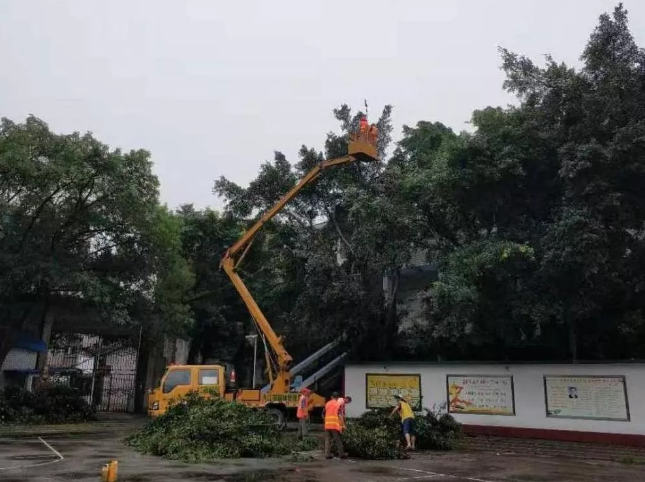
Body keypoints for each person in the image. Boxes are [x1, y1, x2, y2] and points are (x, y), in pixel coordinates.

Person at [323, 392, 346, 459]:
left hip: (327, 424)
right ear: (337, 397)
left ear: (331, 397)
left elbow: (324, 414)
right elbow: (340, 415)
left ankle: (327, 454)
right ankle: (341, 454)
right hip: (334, 425)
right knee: (338, 440)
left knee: (327, 440)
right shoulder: (337, 404)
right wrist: (343, 425)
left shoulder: (327, 403)